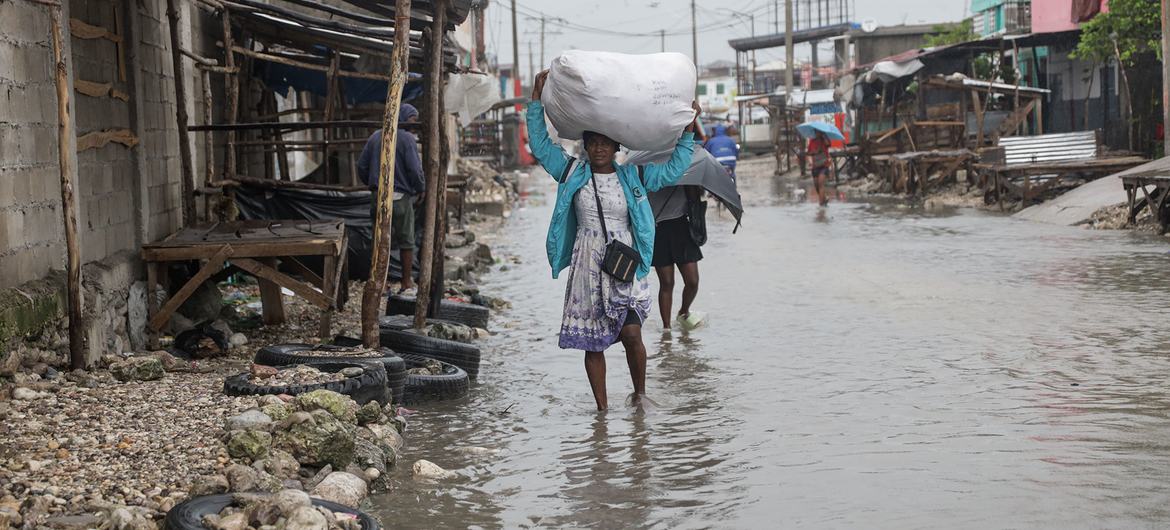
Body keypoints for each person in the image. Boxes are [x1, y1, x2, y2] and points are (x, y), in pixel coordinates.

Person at [527, 70, 699, 411]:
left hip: (624, 263)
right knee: (594, 344)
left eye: (606, 143)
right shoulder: (572, 172)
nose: (599, 148)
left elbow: (673, 168)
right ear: (586, 146)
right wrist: (536, 101)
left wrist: (688, 130)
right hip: (587, 264)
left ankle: (639, 394)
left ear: (616, 146)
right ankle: (602, 412)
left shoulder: (634, 176)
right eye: (593, 143)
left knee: (632, 334)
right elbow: (541, 144)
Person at [357, 103, 425, 295]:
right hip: (400, 198)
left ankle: (382, 282)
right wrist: (420, 188)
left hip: (377, 198)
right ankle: (406, 282)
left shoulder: (375, 137)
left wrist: (372, 185)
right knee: (406, 241)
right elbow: (414, 169)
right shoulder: (407, 139)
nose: (414, 123)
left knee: (379, 240)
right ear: (403, 117)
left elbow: (361, 166)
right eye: (412, 119)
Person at [649, 184, 704, 331]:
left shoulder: (685, 169)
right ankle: (666, 330)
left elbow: (695, 199)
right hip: (657, 227)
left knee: (692, 281)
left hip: (682, 226)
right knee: (666, 282)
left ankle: (683, 312)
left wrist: (692, 187)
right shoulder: (647, 168)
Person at [807, 130, 835, 207]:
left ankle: (821, 205)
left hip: (824, 165)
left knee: (820, 184)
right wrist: (810, 161)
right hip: (815, 166)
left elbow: (828, 144)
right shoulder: (812, 141)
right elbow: (809, 154)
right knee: (816, 185)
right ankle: (824, 199)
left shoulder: (825, 140)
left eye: (819, 132)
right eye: (816, 132)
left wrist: (824, 136)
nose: (817, 133)